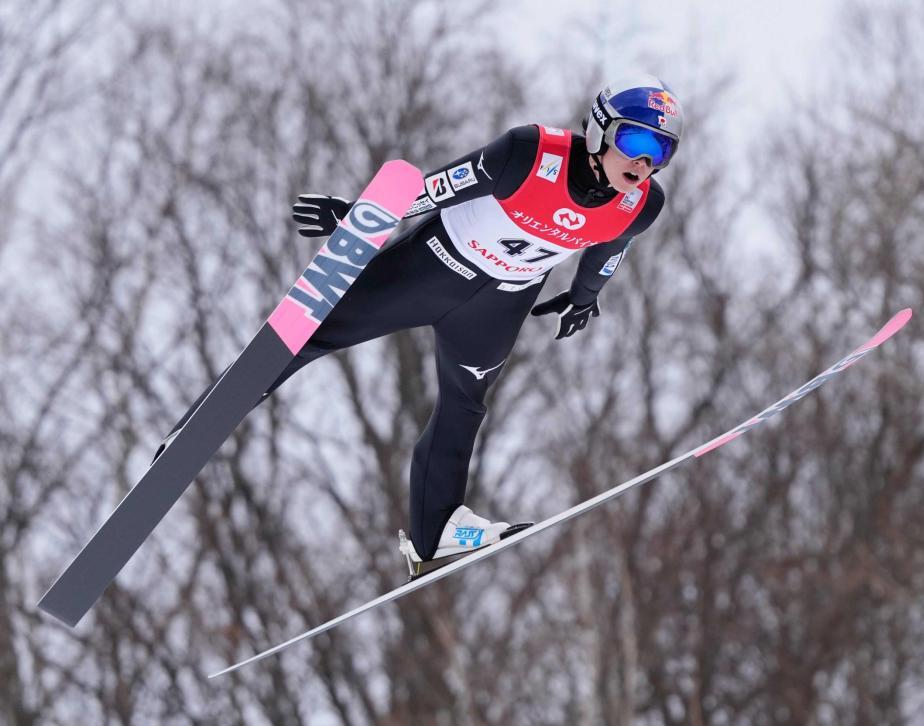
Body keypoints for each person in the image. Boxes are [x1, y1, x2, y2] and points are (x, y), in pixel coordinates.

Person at [159, 74, 684, 576]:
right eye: (635, 139)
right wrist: (359, 216)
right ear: (599, 128)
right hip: (432, 267)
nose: (643, 161)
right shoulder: (530, 152)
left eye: (659, 151)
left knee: (465, 403)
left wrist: (584, 298)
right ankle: (197, 429)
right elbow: (437, 188)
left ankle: (436, 535)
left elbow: (610, 249)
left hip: (499, 303)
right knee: (309, 332)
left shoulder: (642, 204)